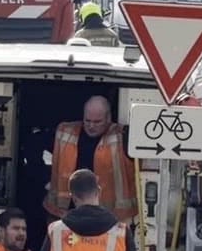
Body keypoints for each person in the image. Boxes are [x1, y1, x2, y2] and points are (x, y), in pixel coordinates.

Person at [43, 95, 138, 224]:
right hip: (67, 212)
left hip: (109, 217)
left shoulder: (122, 137)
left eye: (97, 121)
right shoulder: (65, 132)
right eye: (87, 121)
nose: (91, 126)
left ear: (109, 118)